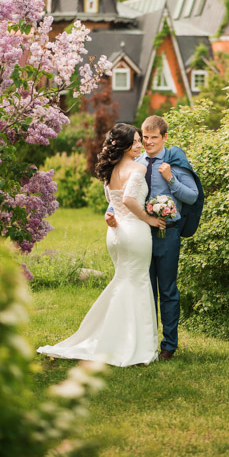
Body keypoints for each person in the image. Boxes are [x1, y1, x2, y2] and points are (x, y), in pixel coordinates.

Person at [37, 124, 163, 366]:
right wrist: (149, 219)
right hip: (134, 232)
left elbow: (113, 202)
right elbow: (127, 199)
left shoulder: (110, 171)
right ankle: (134, 345)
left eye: (140, 141)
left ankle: (115, 337)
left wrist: (111, 216)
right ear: (124, 146)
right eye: (136, 142)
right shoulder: (137, 167)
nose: (140, 145)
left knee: (124, 281)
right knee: (136, 282)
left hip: (115, 233)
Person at [105, 115, 200, 361]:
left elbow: (192, 196)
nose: (147, 142)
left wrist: (171, 178)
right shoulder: (135, 160)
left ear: (165, 137)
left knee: (167, 290)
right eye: (144, 137)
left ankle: (169, 345)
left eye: (153, 138)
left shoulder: (174, 161)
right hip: (139, 235)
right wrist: (111, 211)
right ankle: (145, 343)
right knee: (145, 290)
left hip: (167, 233)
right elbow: (125, 194)